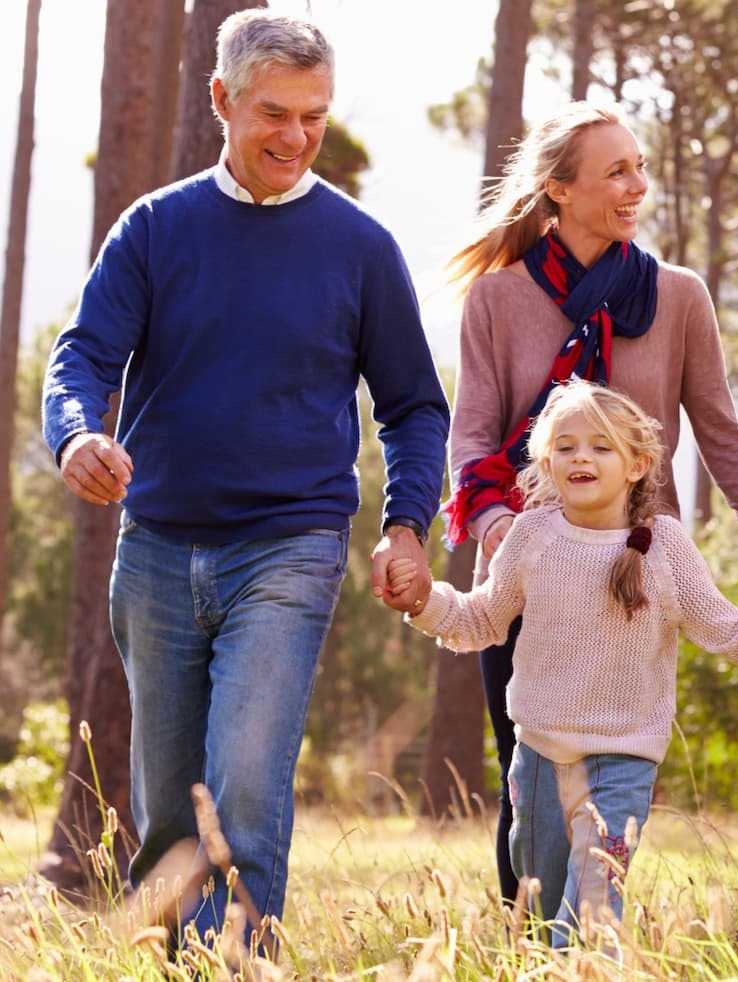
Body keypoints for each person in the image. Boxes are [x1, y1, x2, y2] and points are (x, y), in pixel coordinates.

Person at [39, 10, 448, 943]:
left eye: (314, 116)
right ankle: (172, 958)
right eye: (275, 114)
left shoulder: (360, 248)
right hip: (157, 550)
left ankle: (240, 964)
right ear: (221, 100)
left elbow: (416, 406)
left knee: (248, 788)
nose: (298, 137)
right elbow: (82, 359)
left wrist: (406, 524)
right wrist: (74, 439)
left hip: (291, 545)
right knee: (171, 813)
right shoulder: (154, 228)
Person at [443, 102, 738, 902]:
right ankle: (528, 940)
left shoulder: (680, 297)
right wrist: (499, 535)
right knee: (524, 769)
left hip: (636, 570)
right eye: (617, 171)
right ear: (558, 189)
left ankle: (589, 935)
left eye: (641, 167)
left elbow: (722, 430)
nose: (638, 186)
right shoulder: (496, 299)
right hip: (531, 565)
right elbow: (473, 436)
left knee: (617, 774)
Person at [386, 382, 738, 945]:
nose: (582, 458)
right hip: (539, 762)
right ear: (546, 461)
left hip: (621, 766)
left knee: (590, 923)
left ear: (638, 464)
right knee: (545, 916)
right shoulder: (530, 537)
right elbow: (481, 620)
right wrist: (424, 600)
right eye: (567, 446)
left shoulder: (664, 549)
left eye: (601, 447)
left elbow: (736, 636)